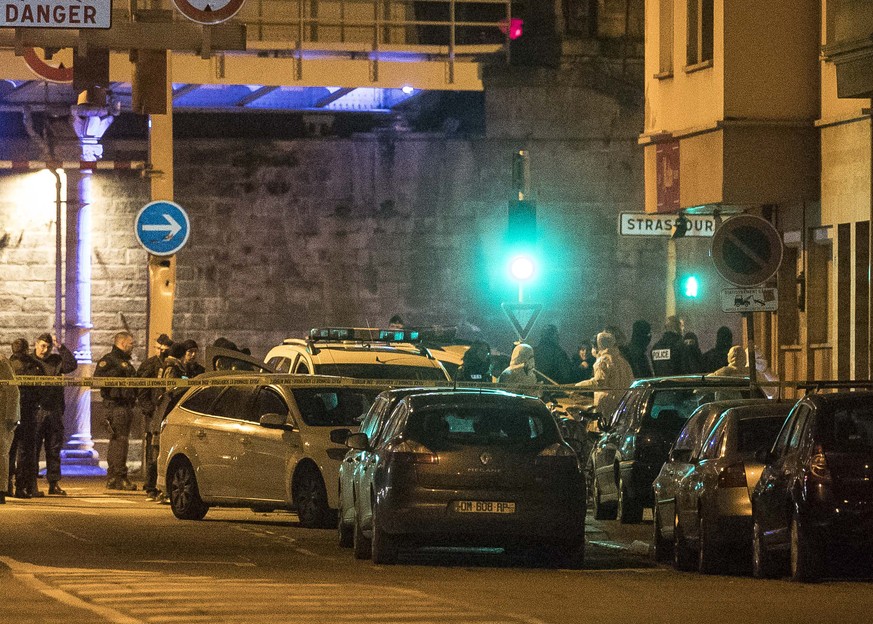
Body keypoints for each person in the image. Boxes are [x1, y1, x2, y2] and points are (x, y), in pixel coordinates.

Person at [33, 333, 77, 496]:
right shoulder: (30, 362)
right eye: (42, 345)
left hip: (53, 411)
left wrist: (61, 347)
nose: (44, 350)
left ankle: (53, 482)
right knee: (33, 449)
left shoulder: (56, 361)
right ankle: (32, 483)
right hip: (35, 410)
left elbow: (72, 365)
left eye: (48, 347)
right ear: (36, 344)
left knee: (53, 448)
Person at [94, 331, 138, 491]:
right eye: (131, 343)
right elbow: (98, 379)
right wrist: (118, 373)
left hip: (124, 405)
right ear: (123, 343)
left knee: (117, 442)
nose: (133, 346)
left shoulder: (124, 361)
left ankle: (113, 476)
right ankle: (119, 477)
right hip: (116, 406)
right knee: (120, 442)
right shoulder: (110, 361)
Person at [137, 333, 173, 501]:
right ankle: (150, 486)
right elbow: (142, 391)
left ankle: (158, 486)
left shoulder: (170, 365)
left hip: (164, 413)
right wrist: (149, 410)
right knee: (152, 450)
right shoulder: (149, 365)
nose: (162, 353)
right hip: (152, 413)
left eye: (165, 350)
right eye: (160, 349)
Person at [8, 339, 44, 498]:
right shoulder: (33, 365)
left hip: (10, 412)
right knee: (26, 450)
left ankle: (6, 485)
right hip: (28, 411)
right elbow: (40, 387)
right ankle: (21, 487)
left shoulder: (7, 365)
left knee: (8, 449)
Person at [575, 332, 635, 423]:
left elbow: (598, 382)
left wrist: (577, 387)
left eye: (592, 347)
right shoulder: (623, 361)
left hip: (607, 405)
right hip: (623, 404)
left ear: (598, 347)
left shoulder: (602, 361)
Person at [0, 352, 20, 505]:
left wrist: (11, 416)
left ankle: (1, 490)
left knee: (1, 452)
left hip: (2, 415)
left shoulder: (2, 363)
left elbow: (13, 391)